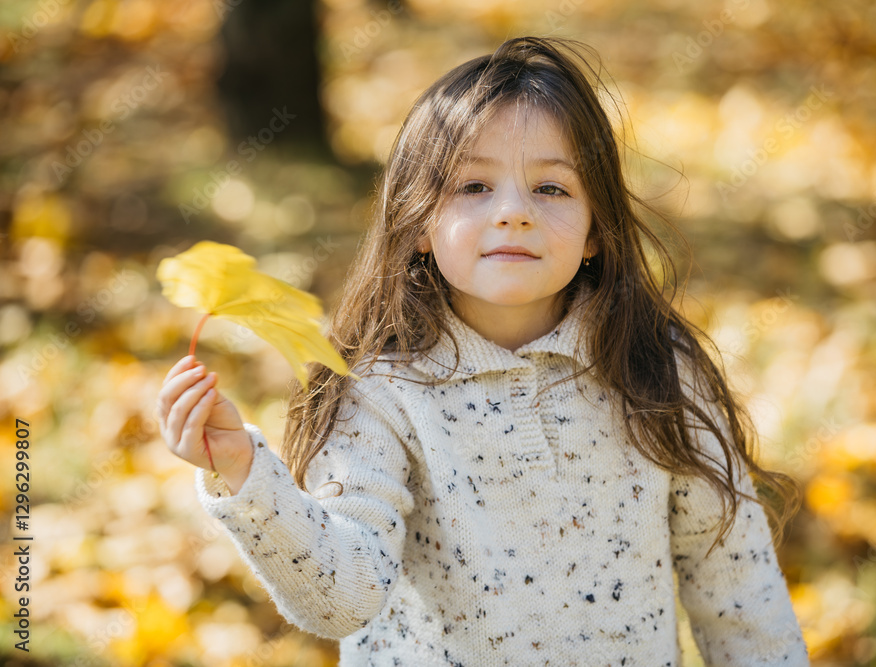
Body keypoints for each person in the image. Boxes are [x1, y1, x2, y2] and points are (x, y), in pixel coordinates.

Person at [159, 35, 810, 666]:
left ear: (595, 229)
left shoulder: (656, 368)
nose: (513, 212)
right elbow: (342, 596)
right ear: (419, 221)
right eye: (474, 187)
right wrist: (245, 472)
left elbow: (739, 592)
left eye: (551, 188)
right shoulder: (381, 393)